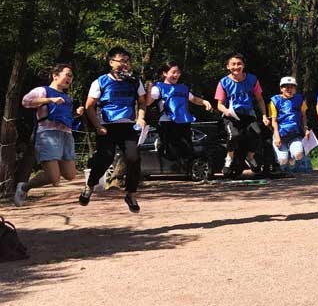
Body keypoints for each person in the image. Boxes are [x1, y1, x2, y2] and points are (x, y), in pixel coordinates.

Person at [80, 46, 147, 212]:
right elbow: (89, 106)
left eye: (127, 61)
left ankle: (131, 194)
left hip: (128, 126)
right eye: (121, 61)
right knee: (105, 157)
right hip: (107, 127)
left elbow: (142, 102)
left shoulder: (135, 81)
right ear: (111, 62)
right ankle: (90, 185)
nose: (125, 64)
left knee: (133, 158)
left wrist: (140, 117)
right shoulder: (100, 81)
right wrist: (98, 126)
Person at [16, 64, 79, 206]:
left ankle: (29, 184)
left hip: (66, 135)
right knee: (53, 178)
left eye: (71, 76)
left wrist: (76, 114)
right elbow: (25, 101)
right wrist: (49, 99)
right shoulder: (43, 90)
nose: (70, 79)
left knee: (70, 175)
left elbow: (64, 117)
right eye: (67, 75)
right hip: (48, 134)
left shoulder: (66, 97)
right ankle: (24, 187)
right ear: (55, 75)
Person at [214, 53, 271, 177]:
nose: (236, 67)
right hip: (231, 115)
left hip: (248, 114)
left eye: (239, 64)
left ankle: (250, 157)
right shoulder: (223, 82)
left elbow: (260, 99)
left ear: (243, 65)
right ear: (228, 66)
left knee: (257, 132)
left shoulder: (252, 79)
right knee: (234, 135)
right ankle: (229, 158)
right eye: (233, 64)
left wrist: (264, 115)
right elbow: (219, 105)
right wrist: (226, 111)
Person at [147, 61, 213, 164]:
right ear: (165, 73)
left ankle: (184, 168)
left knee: (187, 152)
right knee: (171, 153)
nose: (176, 75)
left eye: (178, 72)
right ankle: (161, 145)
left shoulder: (183, 88)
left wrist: (204, 102)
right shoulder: (158, 87)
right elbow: (148, 102)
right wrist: (149, 90)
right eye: (173, 72)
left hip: (183, 122)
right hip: (167, 123)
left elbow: (194, 99)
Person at [270, 76, 311, 168]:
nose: (289, 89)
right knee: (282, 161)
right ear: (281, 89)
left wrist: (305, 129)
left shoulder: (300, 99)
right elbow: (274, 120)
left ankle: (292, 157)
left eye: (291, 87)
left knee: (298, 154)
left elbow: (303, 116)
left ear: (295, 89)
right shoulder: (275, 101)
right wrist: (276, 136)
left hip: (295, 134)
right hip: (280, 134)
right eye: (286, 87)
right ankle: (284, 157)